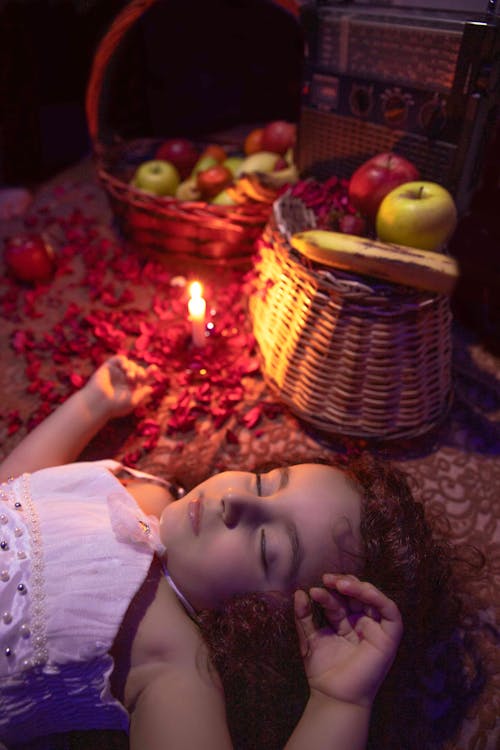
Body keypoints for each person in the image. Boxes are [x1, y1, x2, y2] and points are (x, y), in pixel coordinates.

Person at [0, 356, 482, 750]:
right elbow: (18, 489)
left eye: (267, 546)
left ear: (266, 625)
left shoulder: (176, 666)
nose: (236, 500)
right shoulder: (149, 491)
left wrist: (339, 703)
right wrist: (90, 406)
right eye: (265, 482)